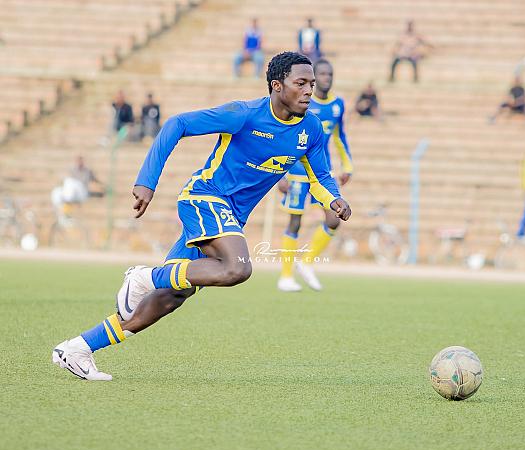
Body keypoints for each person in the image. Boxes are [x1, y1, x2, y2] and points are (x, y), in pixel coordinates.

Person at [51, 52, 352, 381]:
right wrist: (147, 181)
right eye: (301, 83)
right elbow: (177, 124)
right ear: (277, 86)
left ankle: (78, 348)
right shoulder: (244, 114)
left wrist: (334, 199)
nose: (309, 90)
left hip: (230, 218)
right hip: (205, 198)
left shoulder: (311, 128)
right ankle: (143, 276)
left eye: (311, 84)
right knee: (237, 268)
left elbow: (320, 177)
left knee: (170, 297)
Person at [277, 58, 353, 292]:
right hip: (297, 172)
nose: (326, 78)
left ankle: (307, 262)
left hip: (322, 172)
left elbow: (339, 137)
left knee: (333, 219)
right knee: (295, 223)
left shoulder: (337, 105)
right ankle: (285, 276)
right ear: (313, 78)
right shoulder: (302, 103)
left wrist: (347, 166)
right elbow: (285, 136)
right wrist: (281, 174)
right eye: (322, 74)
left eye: (330, 74)